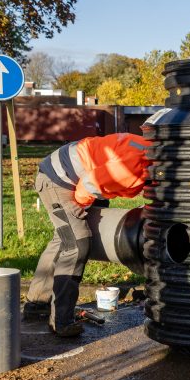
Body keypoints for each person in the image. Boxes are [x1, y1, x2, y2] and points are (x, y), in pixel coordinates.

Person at [24, 132, 153, 336]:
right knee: (77, 243)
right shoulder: (133, 165)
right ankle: (62, 321)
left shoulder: (150, 151)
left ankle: (37, 304)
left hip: (71, 171)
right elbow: (87, 187)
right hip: (59, 180)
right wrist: (80, 212)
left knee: (64, 239)